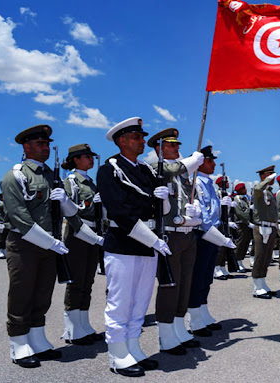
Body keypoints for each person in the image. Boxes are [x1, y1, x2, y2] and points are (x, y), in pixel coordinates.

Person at [0, 125, 91, 368]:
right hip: (24, 244)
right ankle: (18, 343)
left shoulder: (53, 176)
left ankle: (37, 339)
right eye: (40, 144)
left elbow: (66, 211)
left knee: (42, 293)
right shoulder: (16, 175)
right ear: (26, 147)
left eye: (47, 144)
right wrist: (51, 242)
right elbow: (20, 217)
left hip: (49, 245)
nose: (45, 148)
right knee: (22, 293)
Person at [97, 117, 172, 377]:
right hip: (125, 243)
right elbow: (120, 212)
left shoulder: (146, 171)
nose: (143, 141)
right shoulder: (110, 169)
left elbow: (159, 211)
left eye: (142, 137)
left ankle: (133, 347)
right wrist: (153, 240)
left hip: (149, 242)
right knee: (120, 302)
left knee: (140, 300)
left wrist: (164, 200)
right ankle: (117, 354)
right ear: (122, 140)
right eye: (138, 137)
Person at [147, 129, 205, 355]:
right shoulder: (156, 168)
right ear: (159, 148)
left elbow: (191, 196)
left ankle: (179, 328)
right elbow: (173, 170)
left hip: (187, 234)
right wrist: (191, 161)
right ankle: (166, 334)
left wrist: (196, 210)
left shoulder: (184, 175)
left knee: (184, 283)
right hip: (170, 234)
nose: (177, 148)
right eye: (171, 145)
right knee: (170, 285)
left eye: (177, 144)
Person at [60, 144, 106, 346]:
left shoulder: (90, 182)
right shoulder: (71, 181)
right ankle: (71, 329)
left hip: (93, 232)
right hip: (79, 233)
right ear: (76, 159)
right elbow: (71, 209)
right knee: (76, 281)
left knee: (88, 281)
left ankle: (84, 326)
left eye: (92, 156)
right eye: (87, 156)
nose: (91, 159)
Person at [188, 146, 236, 335]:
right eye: (210, 161)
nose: (213, 164)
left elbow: (215, 213)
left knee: (207, 278)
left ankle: (203, 313)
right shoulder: (196, 183)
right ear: (200, 163)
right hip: (203, 236)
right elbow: (204, 217)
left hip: (213, 235)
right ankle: (193, 319)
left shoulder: (209, 184)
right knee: (198, 277)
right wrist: (222, 239)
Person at [251, 165, 279, 298]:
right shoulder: (259, 190)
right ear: (263, 176)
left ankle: (262, 282)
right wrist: (267, 180)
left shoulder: (269, 192)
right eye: (270, 174)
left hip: (271, 226)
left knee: (267, 257)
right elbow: (257, 188)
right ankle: (257, 287)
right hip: (262, 227)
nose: (273, 177)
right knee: (260, 256)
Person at [232, 183, 253, 272]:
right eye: (244, 188)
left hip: (246, 224)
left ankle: (240, 262)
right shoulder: (237, 199)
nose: (245, 189)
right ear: (240, 190)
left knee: (245, 243)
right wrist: (247, 221)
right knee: (240, 244)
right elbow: (240, 213)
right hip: (241, 224)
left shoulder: (245, 199)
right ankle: (236, 263)